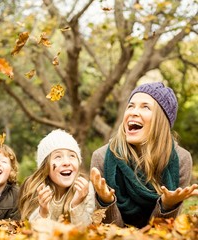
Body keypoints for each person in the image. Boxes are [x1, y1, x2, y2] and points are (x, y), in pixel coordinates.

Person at [90, 82, 198, 228]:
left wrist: (167, 206)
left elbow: (164, 233)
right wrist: (105, 202)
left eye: (145, 107)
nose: (133, 112)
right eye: (131, 106)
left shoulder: (181, 159)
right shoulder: (101, 157)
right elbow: (106, 233)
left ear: (162, 120)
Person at [19, 129, 95, 226]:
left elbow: (87, 233)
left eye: (72, 156)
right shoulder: (35, 189)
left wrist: (77, 204)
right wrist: (43, 211)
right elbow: (30, 232)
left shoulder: (86, 189)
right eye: (58, 157)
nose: (66, 163)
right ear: (45, 166)